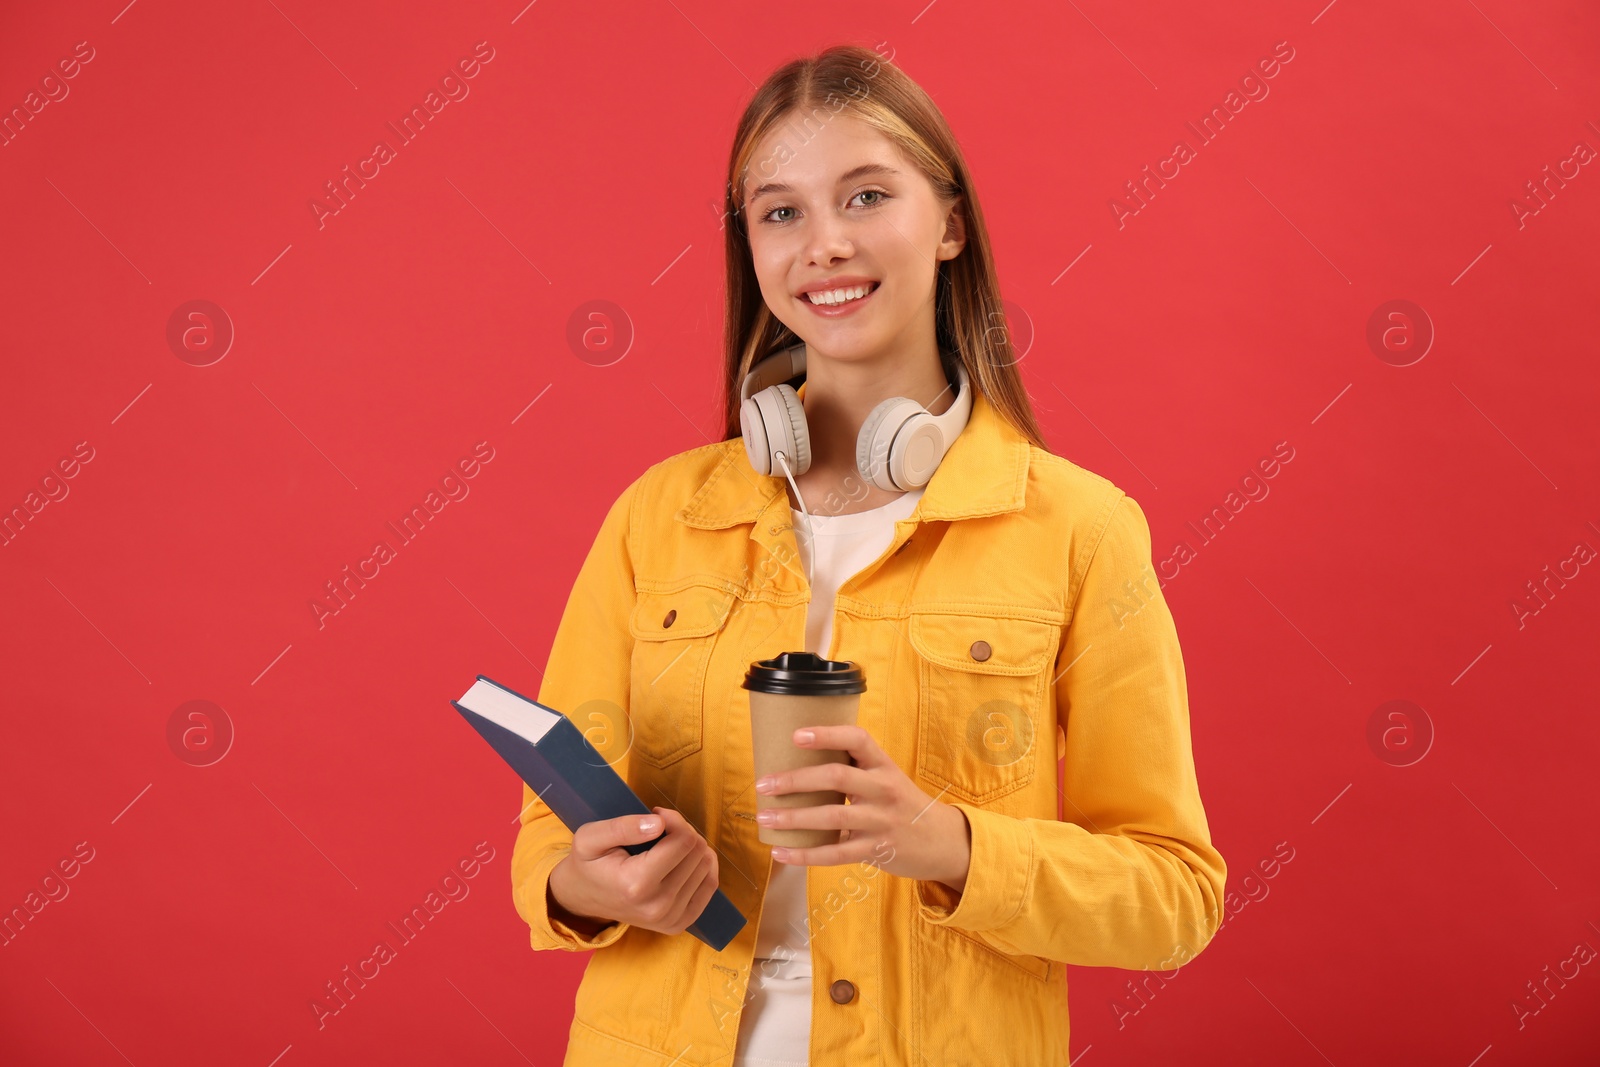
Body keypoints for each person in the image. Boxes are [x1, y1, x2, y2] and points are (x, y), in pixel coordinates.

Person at [511, 43, 1227, 1066]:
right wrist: (592, 881)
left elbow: (1174, 895)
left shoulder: (1078, 527)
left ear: (948, 224)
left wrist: (951, 846)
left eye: (865, 195)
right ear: (750, 247)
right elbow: (548, 839)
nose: (823, 246)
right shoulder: (657, 515)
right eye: (780, 211)